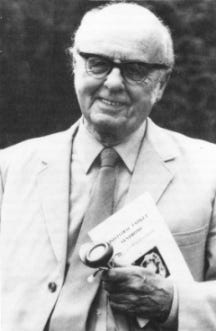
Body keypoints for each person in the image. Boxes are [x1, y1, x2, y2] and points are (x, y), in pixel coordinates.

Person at [1, 3, 216, 331]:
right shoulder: (10, 169)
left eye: (135, 70)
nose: (114, 83)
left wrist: (174, 301)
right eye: (98, 64)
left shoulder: (208, 171)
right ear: (76, 65)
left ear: (161, 83)